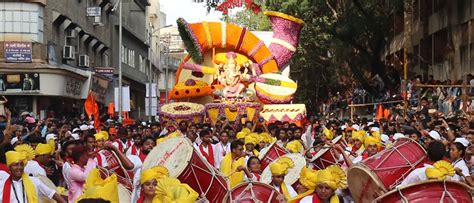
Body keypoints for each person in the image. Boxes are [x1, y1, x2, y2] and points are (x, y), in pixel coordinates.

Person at [0, 150, 66, 203]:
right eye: (15, 165)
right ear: (9, 167)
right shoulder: (2, 185)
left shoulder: (34, 181)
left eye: (21, 164)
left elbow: (52, 193)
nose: (19, 167)